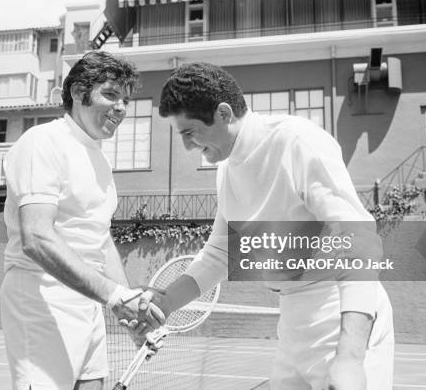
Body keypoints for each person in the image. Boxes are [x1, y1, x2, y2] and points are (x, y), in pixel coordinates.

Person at [138, 62, 394, 390]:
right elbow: (221, 255)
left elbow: (358, 241)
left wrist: (350, 357)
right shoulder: (226, 171)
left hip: (341, 312)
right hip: (293, 322)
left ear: (224, 113)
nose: (187, 147)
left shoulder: (297, 141)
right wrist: (164, 303)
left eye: (189, 133)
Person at [0, 51, 164, 390]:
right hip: (40, 299)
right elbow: (36, 236)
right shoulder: (42, 141)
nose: (121, 107)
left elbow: (99, 240)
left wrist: (127, 308)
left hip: (88, 305)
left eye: (126, 99)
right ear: (78, 92)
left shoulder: (100, 161)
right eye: (111, 94)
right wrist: (115, 296)